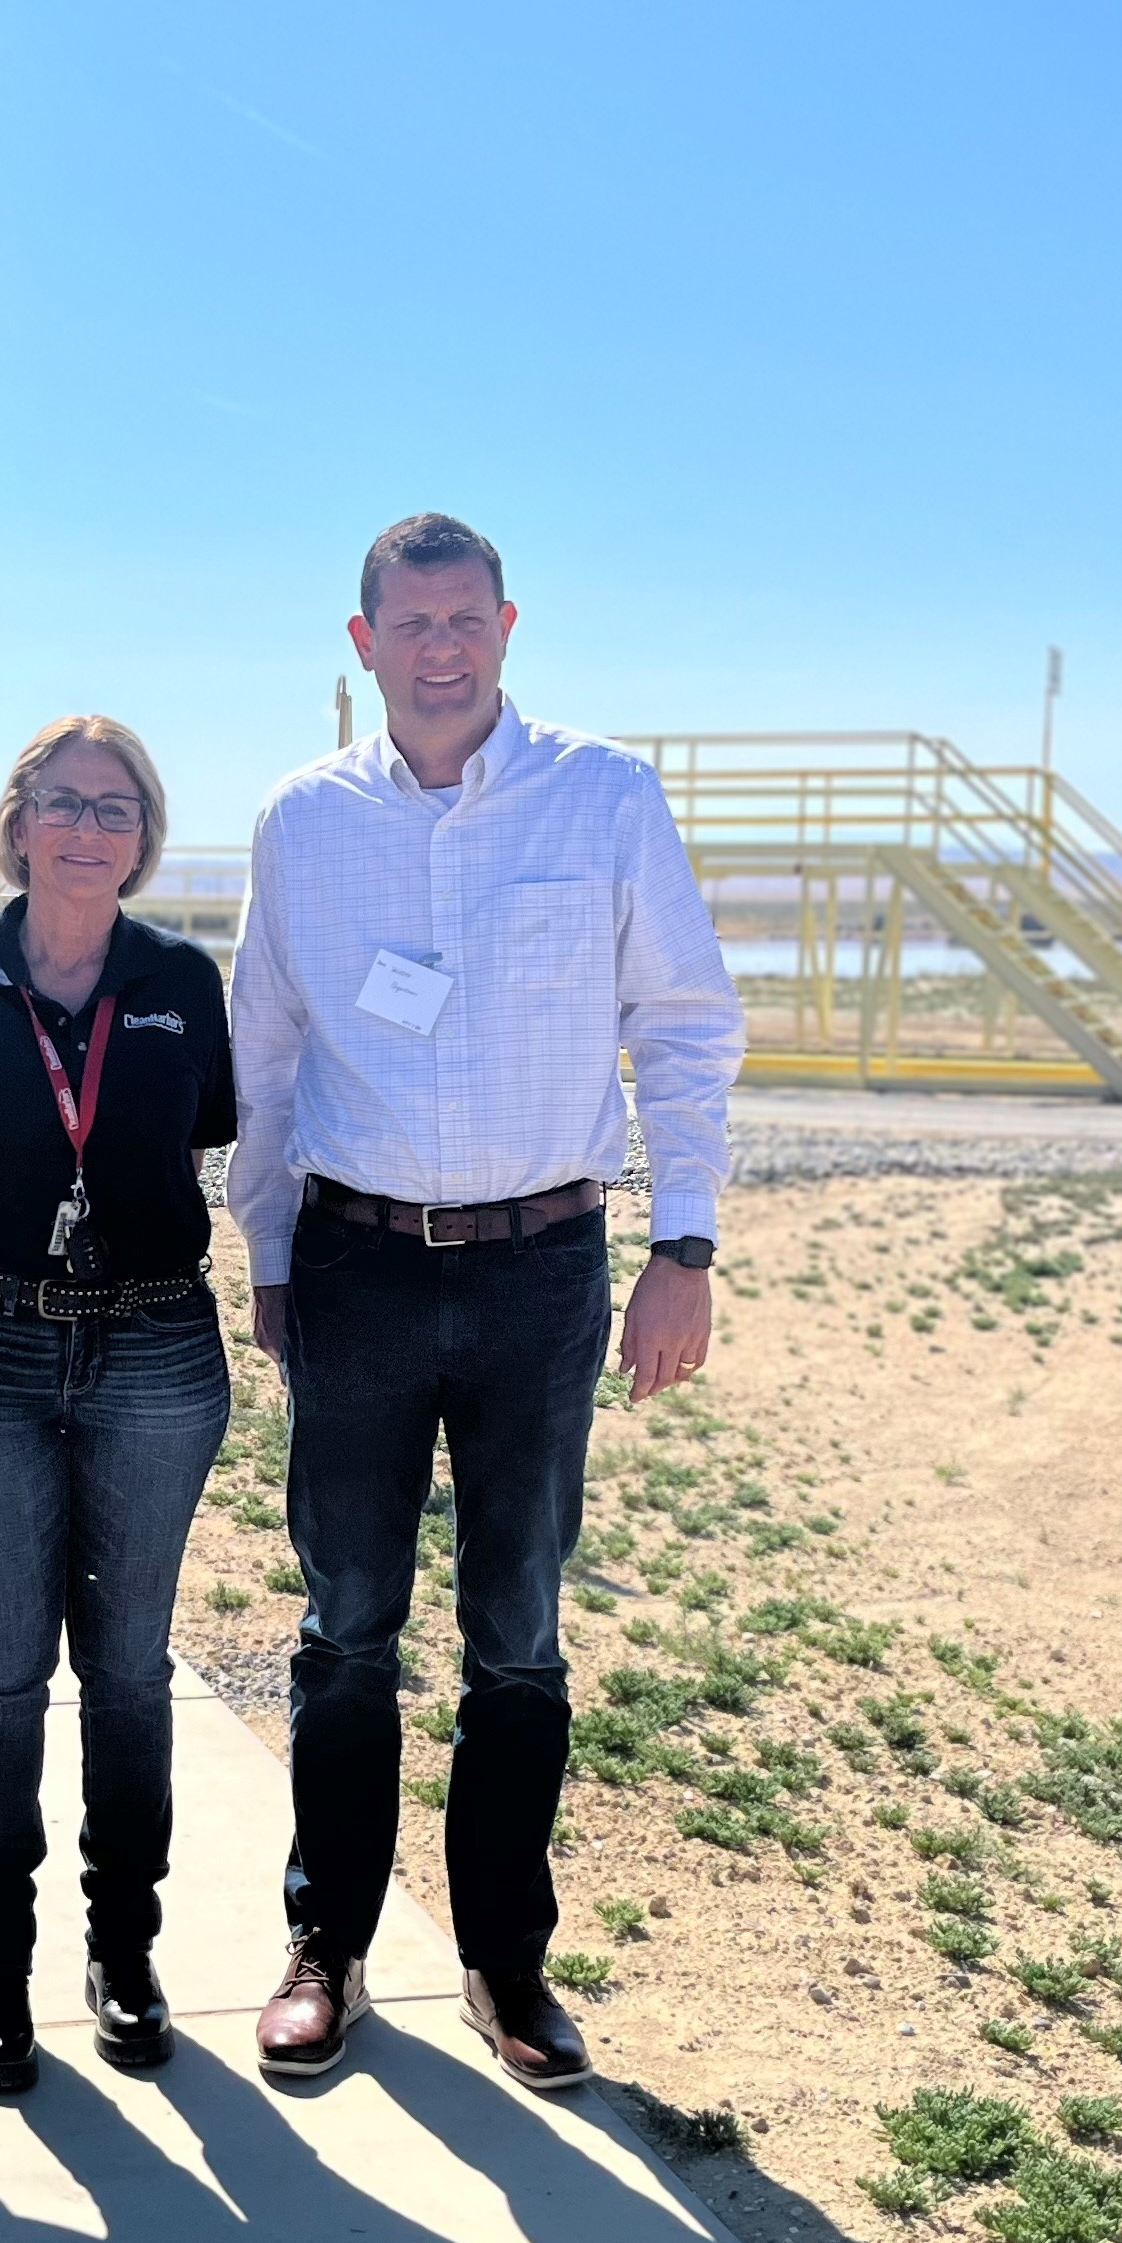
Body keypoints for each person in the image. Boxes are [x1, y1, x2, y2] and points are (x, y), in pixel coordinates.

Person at [227, 512, 744, 2094]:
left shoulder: (604, 798)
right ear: (362, 640)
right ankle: (329, 1947)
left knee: (517, 1634)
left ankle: (506, 1962)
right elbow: (267, 1052)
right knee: (343, 1629)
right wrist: (266, 1256)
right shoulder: (302, 824)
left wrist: (686, 1245)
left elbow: (686, 1024)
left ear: (508, 628)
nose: (440, 647)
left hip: (540, 1272)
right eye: (411, 621)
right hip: (361, 1265)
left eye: (467, 619)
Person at [0, 717, 236, 2095]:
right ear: (17, 824)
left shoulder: (180, 982)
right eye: (66, 804)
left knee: (132, 1672)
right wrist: (3, 1280)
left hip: (152, 1353)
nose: (92, 830)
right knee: (2, 1674)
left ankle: (125, 1947)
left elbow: (196, 1136)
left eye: (119, 808)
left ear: (144, 836)